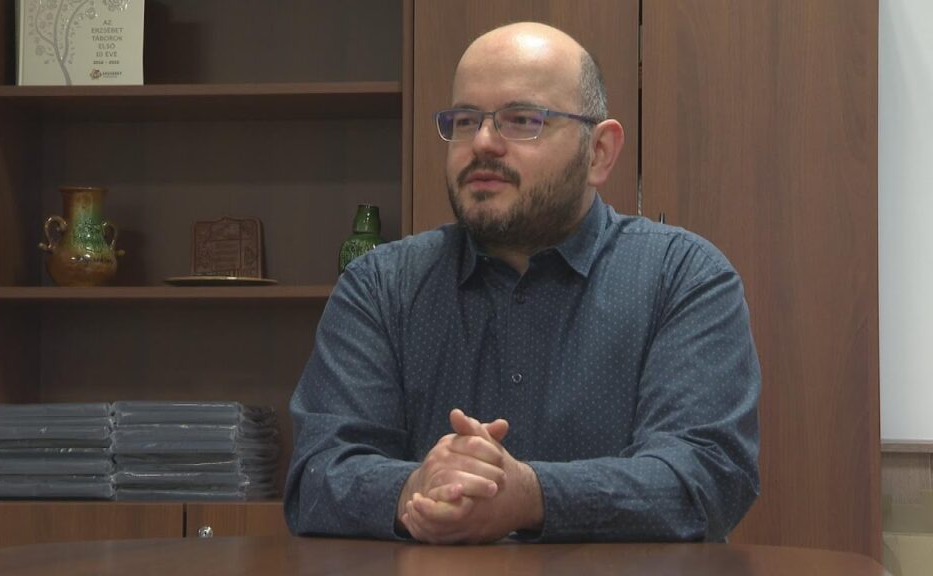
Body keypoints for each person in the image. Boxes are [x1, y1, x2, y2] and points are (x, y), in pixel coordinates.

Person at [283, 22, 760, 544]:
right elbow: (317, 477)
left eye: (522, 120)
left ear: (599, 152)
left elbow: (706, 477)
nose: (483, 143)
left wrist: (531, 495)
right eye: (465, 120)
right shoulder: (380, 286)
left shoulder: (684, 278)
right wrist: (414, 487)